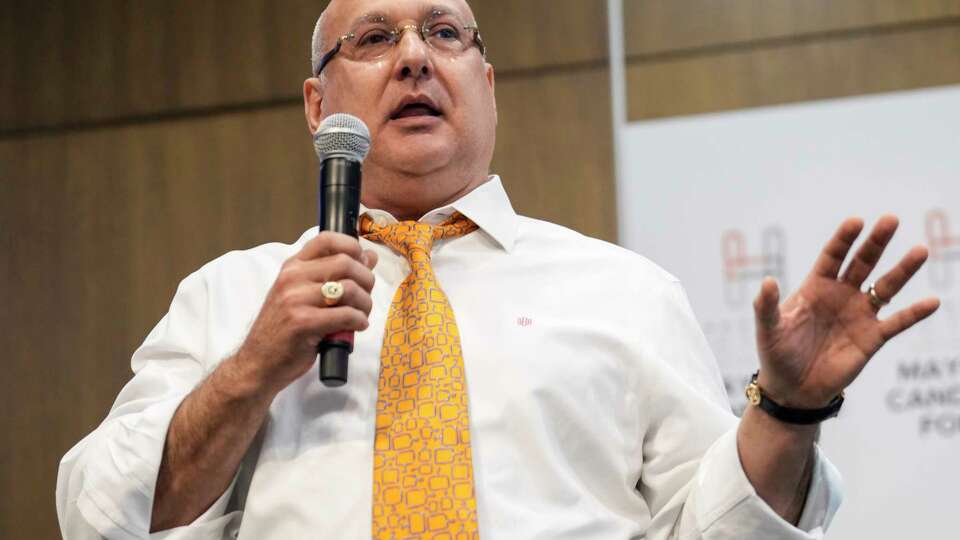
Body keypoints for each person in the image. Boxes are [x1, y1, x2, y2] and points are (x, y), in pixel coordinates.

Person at [56, 0, 940, 538]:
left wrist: (788, 410)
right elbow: (100, 518)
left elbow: (717, 533)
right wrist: (250, 372)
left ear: (487, 83)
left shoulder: (625, 293)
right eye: (372, 38)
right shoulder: (231, 297)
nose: (413, 55)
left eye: (444, 32)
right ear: (317, 104)